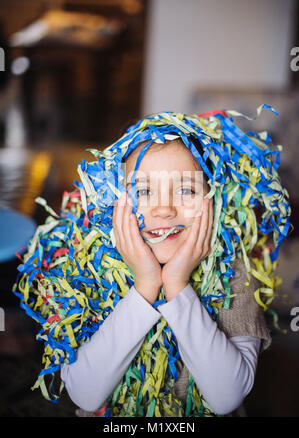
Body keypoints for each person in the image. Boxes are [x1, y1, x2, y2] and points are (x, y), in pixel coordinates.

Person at [13, 107, 291, 417]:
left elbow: (225, 397)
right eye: (143, 190)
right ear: (115, 200)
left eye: (186, 189)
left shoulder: (234, 272)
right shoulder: (87, 269)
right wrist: (145, 286)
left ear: (214, 199)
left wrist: (177, 285)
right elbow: (85, 396)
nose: (163, 209)